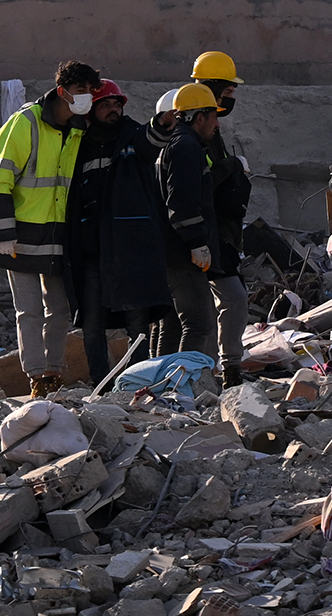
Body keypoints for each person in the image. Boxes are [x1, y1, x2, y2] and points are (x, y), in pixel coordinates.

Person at [0, 59, 98, 391]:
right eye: (80, 91)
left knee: (59, 309)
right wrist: (3, 231)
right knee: (30, 311)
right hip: (19, 236)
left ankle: (54, 372)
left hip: (56, 235)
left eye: (91, 91)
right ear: (62, 92)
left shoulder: (79, 128)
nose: (86, 97)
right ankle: (36, 375)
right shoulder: (25, 123)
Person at [70, 81, 173, 384]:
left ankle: (136, 382)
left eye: (117, 104)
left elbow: (151, 138)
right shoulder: (80, 145)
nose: (114, 110)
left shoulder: (131, 137)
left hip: (131, 247)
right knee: (91, 322)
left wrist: (164, 122)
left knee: (137, 320)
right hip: (93, 249)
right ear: (91, 110)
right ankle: (100, 383)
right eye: (106, 104)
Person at [155, 81, 229, 376]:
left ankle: (157, 383)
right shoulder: (186, 147)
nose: (216, 123)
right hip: (183, 254)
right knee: (199, 323)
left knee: (171, 325)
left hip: (171, 251)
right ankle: (184, 384)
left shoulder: (174, 144)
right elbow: (182, 205)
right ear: (199, 118)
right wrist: (198, 242)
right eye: (213, 116)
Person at [190, 52, 252, 383]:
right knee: (220, 301)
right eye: (227, 91)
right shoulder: (192, 132)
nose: (231, 98)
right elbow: (202, 181)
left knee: (228, 299)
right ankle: (217, 369)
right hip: (203, 232)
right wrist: (233, 167)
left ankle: (225, 367)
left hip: (219, 231)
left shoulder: (212, 129)